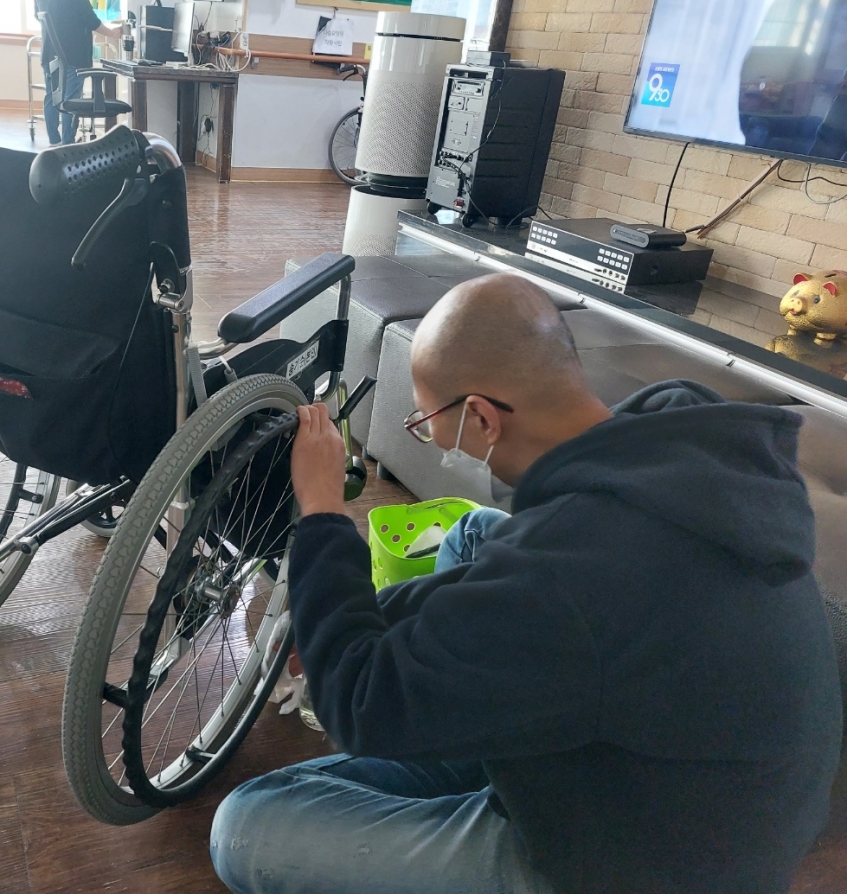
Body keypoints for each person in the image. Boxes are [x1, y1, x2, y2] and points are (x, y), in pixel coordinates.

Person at [210, 273, 843, 894]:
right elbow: (541, 588)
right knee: (476, 532)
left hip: (628, 860)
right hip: (695, 774)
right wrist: (364, 617)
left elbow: (360, 706)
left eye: (428, 420)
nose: (431, 436)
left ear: (481, 417)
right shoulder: (675, 425)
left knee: (248, 826)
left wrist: (322, 508)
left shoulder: (567, 575)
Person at [35, 0, 121, 145]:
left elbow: (38, 15)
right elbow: (91, 20)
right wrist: (113, 33)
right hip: (73, 55)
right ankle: (68, 143)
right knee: (71, 100)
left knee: (52, 97)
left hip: (50, 52)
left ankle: (54, 141)